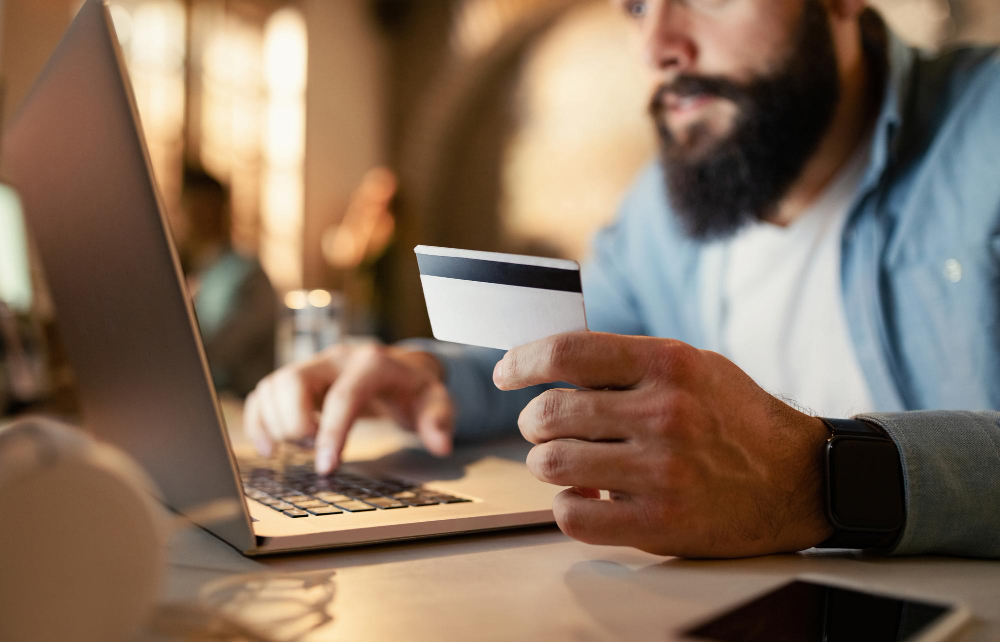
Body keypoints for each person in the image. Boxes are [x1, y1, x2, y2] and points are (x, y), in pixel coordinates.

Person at [245, 0, 1000, 559]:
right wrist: (421, 373)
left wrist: (817, 476)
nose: (657, 44)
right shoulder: (665, 214)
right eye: (635, 6)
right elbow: (575, 349)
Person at [176, 168, 276, 397]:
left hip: (238, 403)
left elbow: (216, 353)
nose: (186, 220)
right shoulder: (196, 272)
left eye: (198, 210)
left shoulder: (249, 277)